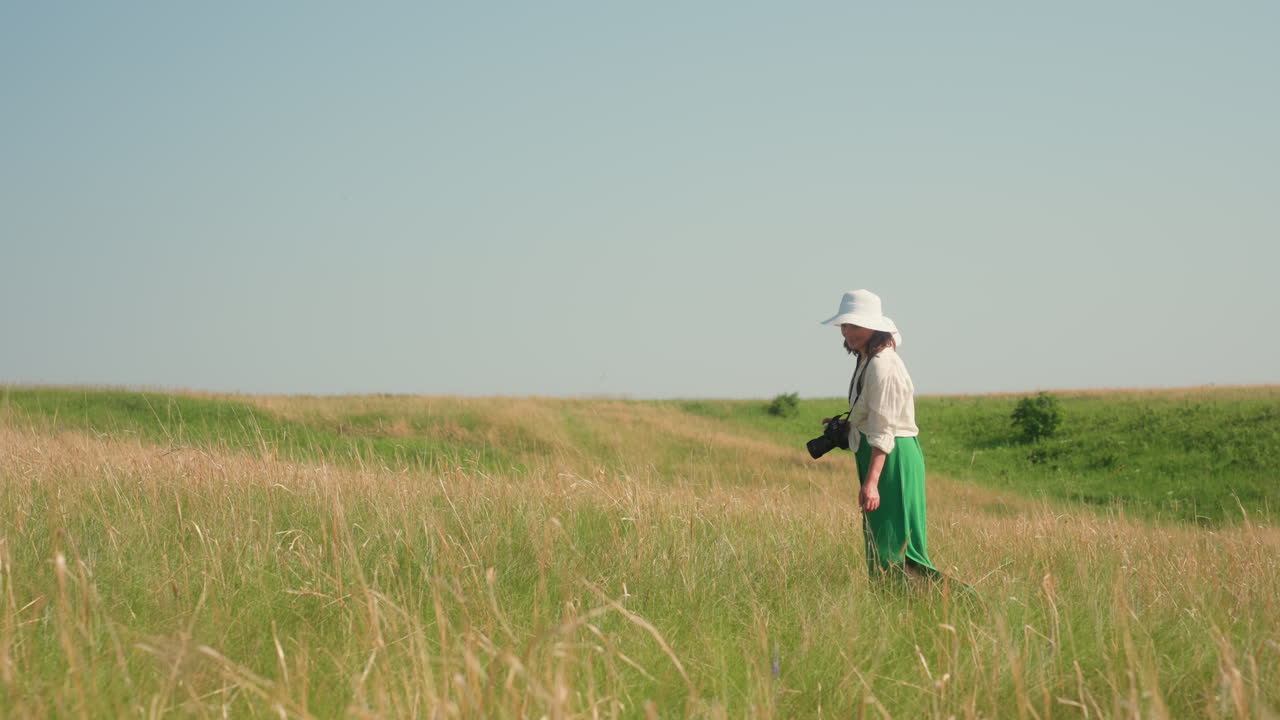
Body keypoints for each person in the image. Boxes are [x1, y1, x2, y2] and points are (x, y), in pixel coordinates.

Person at [820, 289, 940, 582]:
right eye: (845, 326)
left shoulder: (882, 364)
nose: (847, 332)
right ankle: (897, 607)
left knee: (896, 545)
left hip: (890, 458)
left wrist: (872, 483)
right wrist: (847, 428)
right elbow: (872, 415)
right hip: (879, 455)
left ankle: (953, 604)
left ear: (875, 328)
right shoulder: (868, 360)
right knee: (881, 543)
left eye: (855, 326)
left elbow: (885, 428)